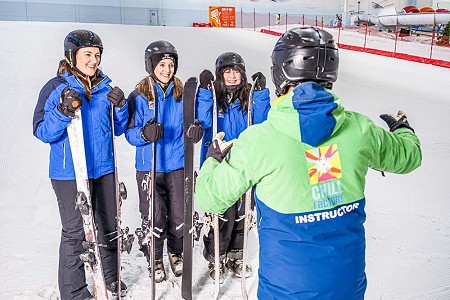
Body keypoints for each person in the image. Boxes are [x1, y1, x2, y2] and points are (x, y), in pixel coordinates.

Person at [195, 26, 422, 299]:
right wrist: (403, 129)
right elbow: (409, 157)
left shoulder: (258, 140)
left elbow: (210, 198)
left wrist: (213, 159)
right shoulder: (360, 130)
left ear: (281, 72)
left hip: (284, 291)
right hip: (346, 288)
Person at [32, 30, 129, 299]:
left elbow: (118, 128)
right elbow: (42, 131)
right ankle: (74, 292)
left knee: (109, 225)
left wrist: (120, 106)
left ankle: (111, 278)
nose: (94, 60)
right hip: (69, 172)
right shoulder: (55, 88)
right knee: (76, 232)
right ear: (71, 56)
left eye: (97, 55)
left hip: (103, 169)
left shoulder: (104, 87)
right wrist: (63, 111)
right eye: (88, 54)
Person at [125, 40, 203, 283]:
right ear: (151, 66)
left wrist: (196, 130)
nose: (167, 70)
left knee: (180, 214)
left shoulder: (183, 95)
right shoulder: (139, 96)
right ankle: (155, 258)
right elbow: (128, 132)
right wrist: (143, 134)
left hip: (178, 165)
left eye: (171, 64)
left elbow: (197, 122)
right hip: (149, 167)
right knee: (154, 216)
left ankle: (175, 253)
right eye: (162, 64)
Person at [195, 52, 271, 282]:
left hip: (244, 165)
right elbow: (203, 122)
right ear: (219, 75)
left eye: (235, 71)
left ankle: (236, 255)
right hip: (218, 164)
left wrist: (261, 95)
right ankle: (215, 256)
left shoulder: (247, 99)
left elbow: (262, 124)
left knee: (242, 213)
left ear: (242, 74)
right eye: (226, 71)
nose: (231, 76)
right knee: (220, 214)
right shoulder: (215, 98)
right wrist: (206, 93)